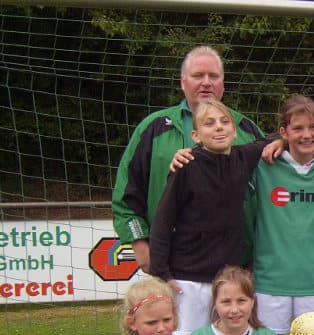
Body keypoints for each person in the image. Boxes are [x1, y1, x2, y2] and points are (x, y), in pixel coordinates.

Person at [112, 45, 262, 274]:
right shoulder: (153, 128)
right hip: (175, 268)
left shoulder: (245, 129)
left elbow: (283, 151)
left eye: (213, 76)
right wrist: (139, 243)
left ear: (223, 82)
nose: (206, 82)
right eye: (197, 76)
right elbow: (126, 194)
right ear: (183, 82)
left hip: (237, 268)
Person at [148, 100, 268, 335]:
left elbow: (278, 138)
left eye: (225, 122)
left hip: (227, 280)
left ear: (235, 132)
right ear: (196, 134)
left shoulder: (243, 158)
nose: (219, 128)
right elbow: (163, 221)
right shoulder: (186, 165)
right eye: (209, 123)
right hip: (188, 278)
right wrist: (161, 272)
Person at [249, 95, 314, 335]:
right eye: (298, 128)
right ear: (284, 132)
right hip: (270, 280)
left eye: (313, 127)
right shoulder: (265, 164)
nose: (306, 135)